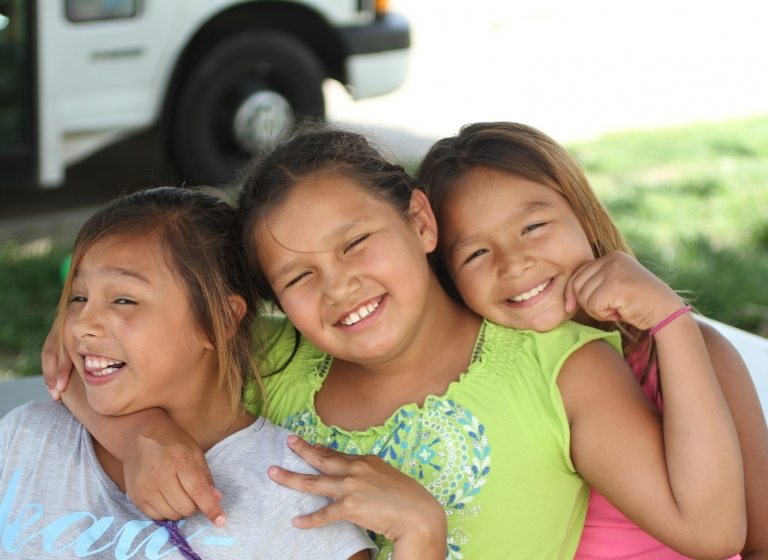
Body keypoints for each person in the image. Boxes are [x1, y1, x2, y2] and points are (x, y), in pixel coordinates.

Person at [42, 127, 745, 559]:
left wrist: (672, 326)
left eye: (356, 244)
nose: (340, 286)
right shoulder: (280, 363)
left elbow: (710, 531)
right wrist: (139, 431)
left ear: (418, 221)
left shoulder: (557, 369)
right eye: (298, 276)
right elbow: (94, 352)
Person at [416, 121, 768, 559]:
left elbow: (759, 541)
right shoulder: (479, 397)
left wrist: (670, 323)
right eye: (476, 253)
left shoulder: (693, 352)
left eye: (533, 227)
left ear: (582, 215)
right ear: (447, 278)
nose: (514, 263)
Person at [4, 186, 375, 559]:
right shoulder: (23, 437)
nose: (83, 323)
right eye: (78, 297)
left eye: (123, 300)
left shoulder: (295, 499)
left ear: (219, 320)